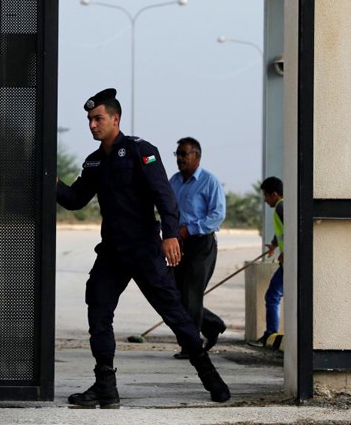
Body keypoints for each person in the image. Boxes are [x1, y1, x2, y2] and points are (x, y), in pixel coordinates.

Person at [57, 88, 231, 407]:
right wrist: (50, 180)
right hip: (112, 253)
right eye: (89, 120)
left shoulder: (140, 151)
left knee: (176, 315)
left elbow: (163, 194)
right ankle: (105, 386)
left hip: (145, 251)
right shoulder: (95, 162)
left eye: (98, 119)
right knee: (98, 311)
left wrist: (170, 235)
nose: (93, 125)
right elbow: (74, 199)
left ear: (115, 119)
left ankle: (211, 379)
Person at [169, 137, 227, 359]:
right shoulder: (173, 182)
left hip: (201, 244)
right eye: (178, 154)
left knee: (191, 295)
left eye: (184, 154)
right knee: (176, 296)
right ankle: (212, 325)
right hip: (178, 244)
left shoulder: (209, 181)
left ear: (197, 156)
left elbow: (217, 215)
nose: (180, 159)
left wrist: (191, 229)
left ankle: (191, 346)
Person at [257, 176, 284, 345]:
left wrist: (287, 253)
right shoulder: (282, 207)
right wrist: (274, 244)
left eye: (266, 196)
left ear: (274, 194)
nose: (266, 201)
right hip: (287, 261)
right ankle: (270, 333)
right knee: (273, 295)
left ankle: (271, 334)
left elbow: (292, 229)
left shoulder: (281, 207)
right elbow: (282, 230)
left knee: (273, 296)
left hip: (289, 262)